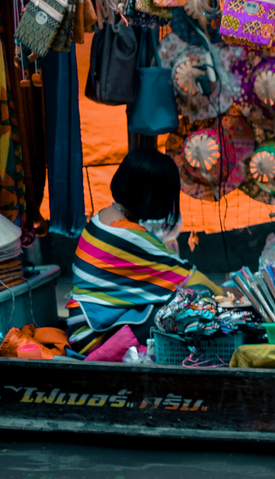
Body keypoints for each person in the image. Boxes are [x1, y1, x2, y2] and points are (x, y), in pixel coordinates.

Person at [66, 148, 209, 354]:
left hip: (82, 327)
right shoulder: (128, 234)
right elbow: (190, 279)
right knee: (198, 300)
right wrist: (231, 296)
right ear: (152, 196)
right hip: (92, 337)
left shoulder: (102, 218)